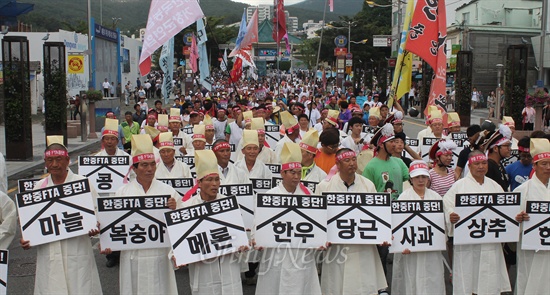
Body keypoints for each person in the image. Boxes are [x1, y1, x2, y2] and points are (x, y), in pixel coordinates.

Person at [20, 136, 103, 294]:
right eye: (50, 160)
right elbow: (31, 224)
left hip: (77, 252)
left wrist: (95, 227)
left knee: (80, 287)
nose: (54, 164)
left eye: (59, 159)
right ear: (45, 163)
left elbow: (97, 214)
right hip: (49, 254)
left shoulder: (82, 184)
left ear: (67, 160)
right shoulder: (39, 188)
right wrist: (26, 239)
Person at [102, 134, 179, 295]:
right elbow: (111, 223)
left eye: (152, 164)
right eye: (144, 165)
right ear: (134, 168)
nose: (149, 169)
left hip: (160, 254)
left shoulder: (168, 191)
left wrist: (175, 208)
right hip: (132, 255)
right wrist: (106, 240)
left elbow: (182, 221)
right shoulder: (122, 192)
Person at [316, 148, 388, 295]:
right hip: (336, 248)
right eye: (347, 160)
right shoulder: (324, 187)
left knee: (364, 285)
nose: (351, 163)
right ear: (338, 163)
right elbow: (318, 218)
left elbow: (377, 215)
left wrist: (383, 234)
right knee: (336, 286)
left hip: (363, 247)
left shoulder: (368, 185)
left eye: (353, 159)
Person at [254, 142, 322, 295]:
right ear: (282, 173)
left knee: (301, 286)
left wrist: (320, 239)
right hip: (275, 254)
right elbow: (258, 222)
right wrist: (256, 238)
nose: (296, 176)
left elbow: (317, 224)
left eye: (299, 172)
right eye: (292, 172)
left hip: (301, 253)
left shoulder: (308, 196)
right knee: (274, 286)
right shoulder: (270, 196)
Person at [177, 150, 246, 294]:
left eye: (217, 179)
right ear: (199, 183)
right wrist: (178, 254)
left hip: (228, 265)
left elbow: (240, 232)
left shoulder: (229, 204)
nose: (214, 184)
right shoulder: (187, 207)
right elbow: (179, 239)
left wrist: (244, 243)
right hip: (202, 267)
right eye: (209, 180)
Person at [443, 151, 512, 295]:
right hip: (469, 242)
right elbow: (447, 204)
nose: (481, 167)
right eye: (477, 163)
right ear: (470, 165)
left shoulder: (495, 186)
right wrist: (451, 215)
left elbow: (506, 209)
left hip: (490, 240)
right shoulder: (459, 186)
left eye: (484, 163)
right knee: (468, 276)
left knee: (490, 277)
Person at [391, 160, 446, 295]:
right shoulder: (404, 198)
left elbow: (442, 223)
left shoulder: (436, 197)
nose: (421, 180)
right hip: (410, 249)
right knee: (410, 278)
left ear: (428, 178)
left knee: (432, 276)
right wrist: (399, 243)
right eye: (417, 177)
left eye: (424, 177)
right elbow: (398, 224)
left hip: (431, 247)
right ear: (411, 178)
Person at [514, 138, 550, 294]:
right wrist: (518, 218)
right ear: (534, 166)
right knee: (529, 279)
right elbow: (511, 219)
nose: (548, 167)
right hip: (530, 247)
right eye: (544, 164)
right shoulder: (523, 190)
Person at [363, 123, 410, 201]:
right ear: (381, 145)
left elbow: (412, 179)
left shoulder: (399, 162)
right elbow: (366, 192)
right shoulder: (371, 166)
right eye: (391, 142)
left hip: (398, 208)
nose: (394, 145)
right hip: (380, 209)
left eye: (394, 142)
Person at [481, 124, 512, 191]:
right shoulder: (488, 167)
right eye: (507, 146)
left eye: (510, 146)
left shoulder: (498, 164)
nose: (509, 149)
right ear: (495, 148)